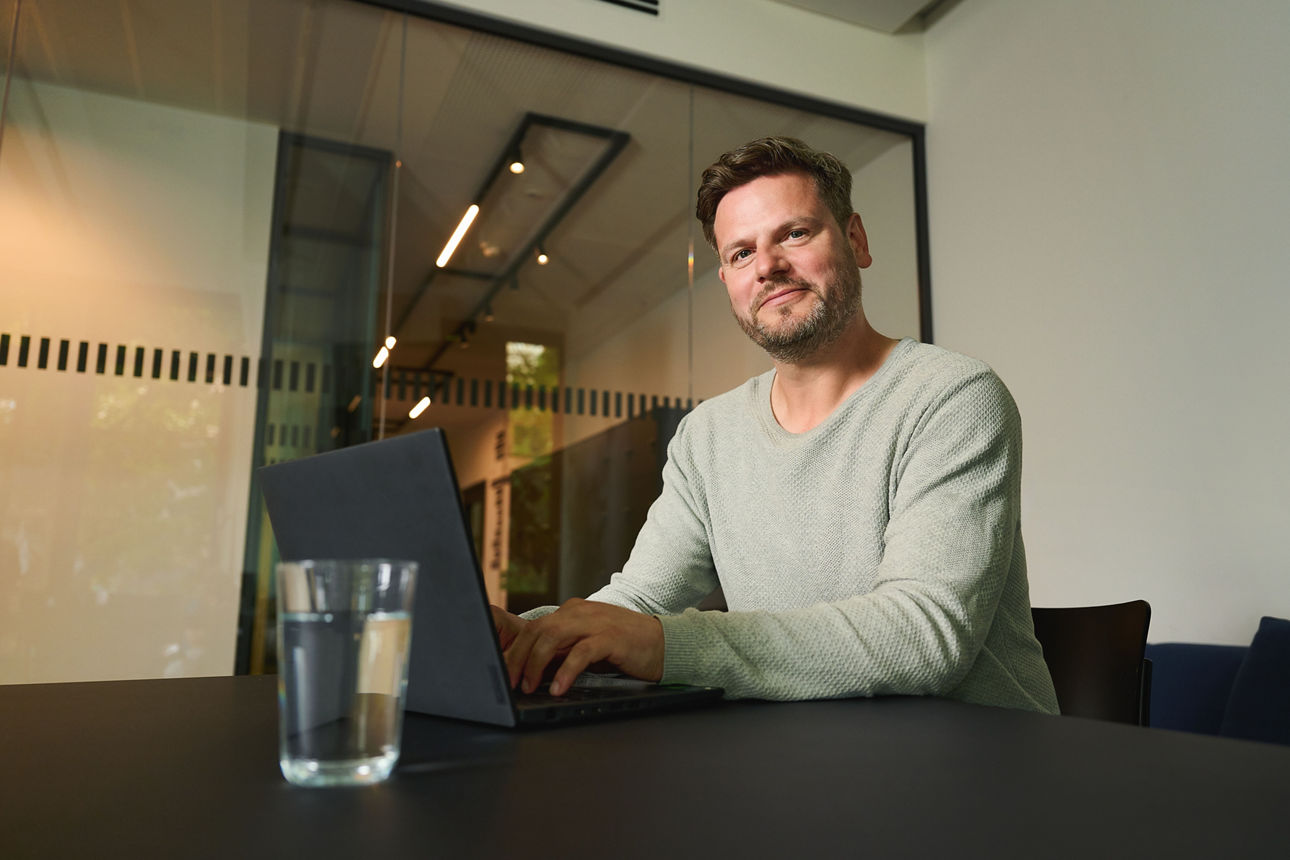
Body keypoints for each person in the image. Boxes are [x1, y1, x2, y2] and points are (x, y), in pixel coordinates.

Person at [492, 136, 1059, 714]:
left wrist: (668, 646)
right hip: (800, 760)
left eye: (794, 233)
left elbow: (925, 634)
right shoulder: (706, 436)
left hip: (977, 771)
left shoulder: (952, 397)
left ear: (856, 240)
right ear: (728, 283)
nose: (767, 266)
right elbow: (639, 601)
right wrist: (523, 631)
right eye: (741, 253)